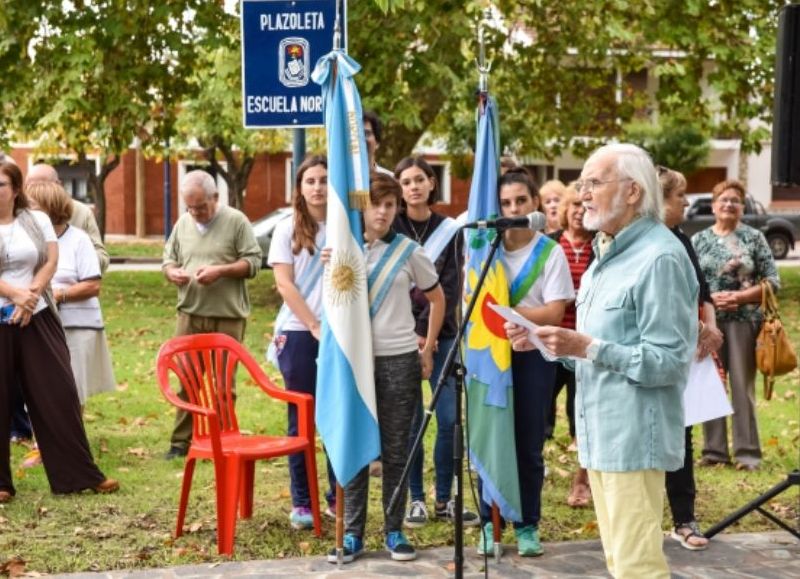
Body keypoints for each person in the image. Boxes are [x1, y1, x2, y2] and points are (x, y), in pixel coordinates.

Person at [509, 144, 698, 578]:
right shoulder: (605, 255)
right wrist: (546, 343)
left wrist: (586, 347)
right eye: (582, 184)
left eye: (595, 182)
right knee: (619, 564)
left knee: (637, 568)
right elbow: (594, 351)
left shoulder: (660, 257)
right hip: (600, 436)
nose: (584, 193)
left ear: (632, 191)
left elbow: (668, 363)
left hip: (633, 438)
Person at [327, 172, 445, 563]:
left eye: (390, 205)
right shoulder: (344, 250)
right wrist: (332, 264)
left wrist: (427, 348)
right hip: (356, 361)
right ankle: (353, 533)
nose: (382, 211)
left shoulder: (409, 251)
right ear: (364, 207)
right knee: (358, 444)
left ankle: (394, 530)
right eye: (376, 203)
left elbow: (437, 299)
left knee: (396, 449)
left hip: (399, 360)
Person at [0, 160, 118, 503]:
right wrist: (14, 294)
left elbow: (50, 260)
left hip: (37, 316)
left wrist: (32, 293)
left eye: (2, 185)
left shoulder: (35, 220)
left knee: (59, 391)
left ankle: (77, 475)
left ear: (16, 189)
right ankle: (2, 484)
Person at [477, 167, 574, 558]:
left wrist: (510, 317)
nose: (513, 208)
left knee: (527, 443)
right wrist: (497, 321)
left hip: (532, 358)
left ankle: (527, 524)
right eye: (505, 203)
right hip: (489, 359)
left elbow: (554, 310)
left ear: (535, 202)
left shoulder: (550, 252)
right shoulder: (485, 250)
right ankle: (489, 521)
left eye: (521, 201)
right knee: (490, 437)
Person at [392, 156, 478, 528]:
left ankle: (446, 498)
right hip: (397, 338)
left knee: (447, 418)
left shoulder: (450, 230)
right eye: (406, 181)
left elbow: (448, 286)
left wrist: (425, 336)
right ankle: (416, 500)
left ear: (431, 184)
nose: (413, 187)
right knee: (410, 422)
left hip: (440, 337)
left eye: (420, 180)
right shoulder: (389, 227)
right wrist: (408, 333)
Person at [161, 170, 262, 460]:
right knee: (187, 380)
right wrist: (172, 273)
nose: (195, 213)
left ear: (215, 198)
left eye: (201, 207)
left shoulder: (236, 221)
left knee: (223, 385)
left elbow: (254, 262)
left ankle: (224, 438)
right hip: (190, 314)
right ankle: (181, 443)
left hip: (227, 316)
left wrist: (221, 270)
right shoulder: (183, 223)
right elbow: (168, 259)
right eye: (189, 207)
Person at [267, 155, 337, 529]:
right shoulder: (286, 228)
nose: (318, 187)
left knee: (335, 417)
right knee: (302, 419)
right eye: (310, 180)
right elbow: (284, 284)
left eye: (324, 179)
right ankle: (302, 501)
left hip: (340, 331)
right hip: (299, 331)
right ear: (300, 187)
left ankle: (336, 497)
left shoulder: (346, 225)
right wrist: (313, 325)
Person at [692, 179, 780, 472]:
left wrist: (740, 297)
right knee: (712, 385)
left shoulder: (754, 238)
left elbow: (772, 281)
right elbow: (689, 282)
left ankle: (747, 453)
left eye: (735, 200)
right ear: (714, 205)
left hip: (745, 322)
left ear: (742, 207)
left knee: (742, 387)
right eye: (723, 199)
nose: (729, 204)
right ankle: (714, 451)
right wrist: (711, 299)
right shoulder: (699, 239)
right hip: (709, 323)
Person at [659, 167, 724, 550]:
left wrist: (710, 327)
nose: (686, 202)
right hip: (657, 355)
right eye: (679, 195)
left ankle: (684, 518)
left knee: (682, 436)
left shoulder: (682, 240)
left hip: (687, 354)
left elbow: (703, 292)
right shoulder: (643, 241)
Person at [26, 181, 116, 408]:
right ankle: (42, 442)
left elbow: (93, 286)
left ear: (50, 207)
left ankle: (71, 441)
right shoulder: (28, 241)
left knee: (71, 389)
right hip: (39, 325)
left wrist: (59, 295)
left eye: (32, 206)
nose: (26, 211)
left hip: (76, 327)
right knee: (39, 386)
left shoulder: (79, 240)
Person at [545, 183, 594, 508]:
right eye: (573, 204)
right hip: (550, 342)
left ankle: (582, 481)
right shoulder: (550, 245)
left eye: (583, 205)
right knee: (539, 415)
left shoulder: (601, 247)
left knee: (584, 416)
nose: (578, 210)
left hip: (584, 344)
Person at [26, 163, 109, 273]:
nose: (36, 192)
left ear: (58, 185)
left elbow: (101, 258)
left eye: (43, 186)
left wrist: (76, 259)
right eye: (30, 186)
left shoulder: (81, 212)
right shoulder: (17, 212)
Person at [362, 111, 393, 176]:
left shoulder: (391, 181)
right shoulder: (336, 182)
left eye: (366, 133)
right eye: (355, 135)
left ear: (377, 142)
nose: (360, 139)